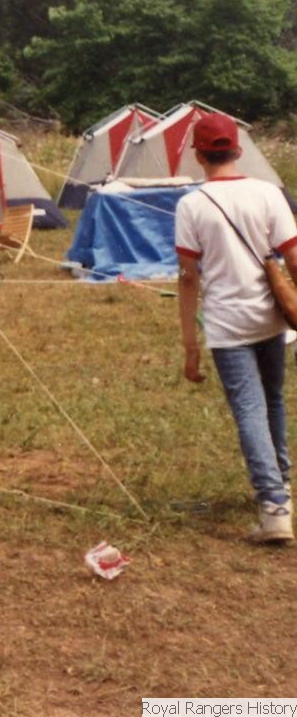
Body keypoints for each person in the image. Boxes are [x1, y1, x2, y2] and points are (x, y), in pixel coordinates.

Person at [175, 111, 297, 543]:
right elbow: (293, 258)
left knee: (249, 409)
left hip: (228, 326)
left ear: (198, 155)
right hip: (271, 318)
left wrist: (190, 346)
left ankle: (274, 507)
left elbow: (188, 278)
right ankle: (281, 483)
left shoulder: (191, 205)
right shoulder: (268, 193)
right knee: (272, 400)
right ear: (238, 150)